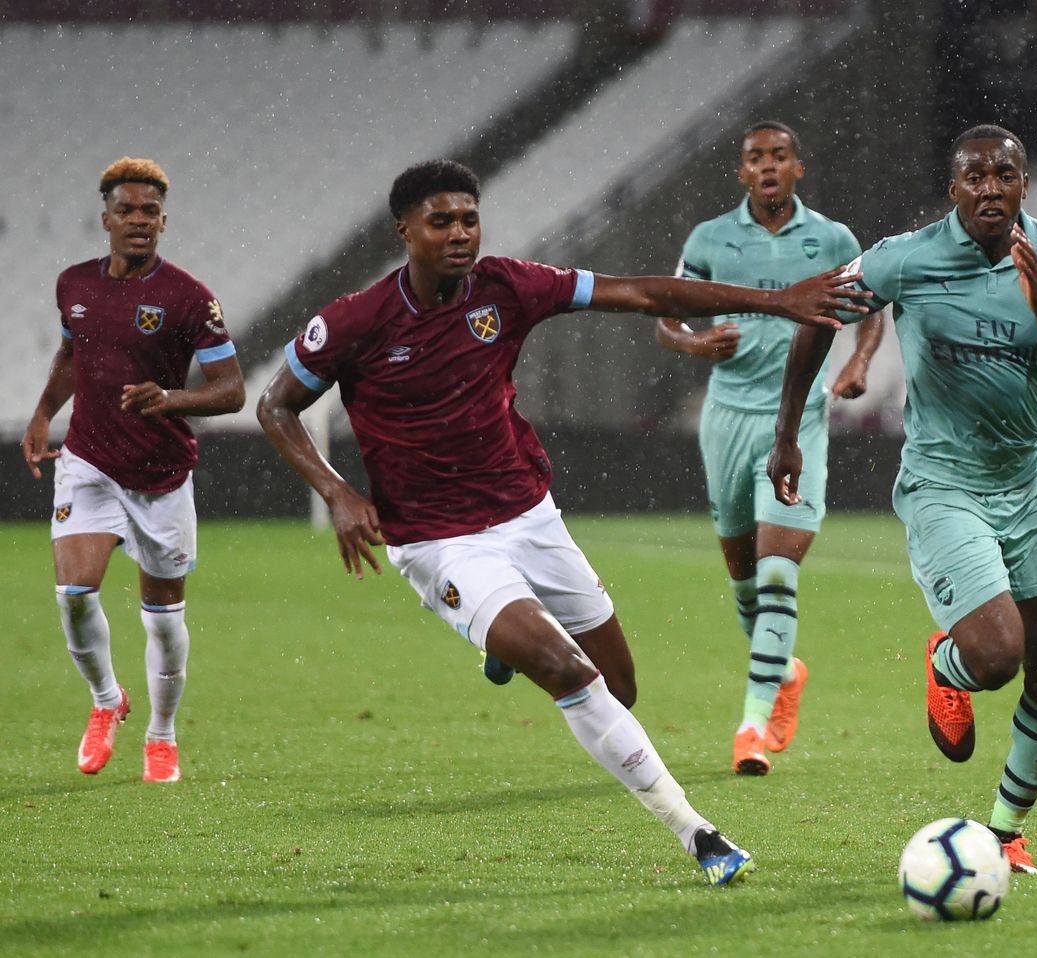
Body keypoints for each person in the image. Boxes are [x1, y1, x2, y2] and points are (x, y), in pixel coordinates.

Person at [255, 159, 866, 886]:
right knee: (569, 670)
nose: (459, 233)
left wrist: (777, 301)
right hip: (437, 541)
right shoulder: (354, 321)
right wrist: (336, 491)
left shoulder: (508, 287)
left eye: (469, 218)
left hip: (527, 516)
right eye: (441, 221)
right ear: (404, 231)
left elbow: (642, 291)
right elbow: (274, 405)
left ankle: (505, 643)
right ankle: (699, 835)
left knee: (620, 687)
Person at [768, 125, 1037, 875]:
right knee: (996, 656)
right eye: (974, 177)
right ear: (953, 189)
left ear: (1025, 184)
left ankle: (1006, 830)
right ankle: (949, 665)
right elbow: (820, 312)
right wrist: (789, 432)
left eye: (1005, 175)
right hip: (945, 482)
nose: (990, 188)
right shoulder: (905, 257)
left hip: (1029, 478)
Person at [655, 121, 885, 776]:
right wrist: (694, 343)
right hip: (726, 420)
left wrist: (859, 362)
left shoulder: (834, 240)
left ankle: (750, 727)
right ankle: (784, 671)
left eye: (779, 156)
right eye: (755, 157)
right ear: (742, 172)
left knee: (779, 571)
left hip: (801, 419)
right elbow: (665, 316)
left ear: (797, 168)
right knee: (745, 581)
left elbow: (873, 308)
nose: (768, 166)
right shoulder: (708, 239)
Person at [20, 157, 245, 783]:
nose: (138, 220)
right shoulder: (73, 285)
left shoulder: (190, 299)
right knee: (73, 594)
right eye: (127, 210)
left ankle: (162, 734)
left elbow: (231, 391)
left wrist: (170, 398)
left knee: (162, 620)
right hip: (88, 460)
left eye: (150, 211)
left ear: (164, 222)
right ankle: (106, 702)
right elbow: (71, 352)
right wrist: (43, 414)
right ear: (106, 219)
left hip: (162, 474)